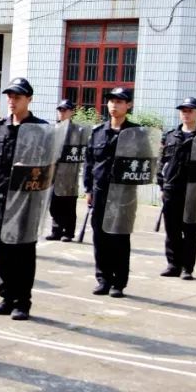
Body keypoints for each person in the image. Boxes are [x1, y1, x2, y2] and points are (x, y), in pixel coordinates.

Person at [0, 77, 50, 320]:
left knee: (23, 251)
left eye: (17, 97)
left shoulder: (40, 129)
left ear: (29, 99)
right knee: (3, 250)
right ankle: (6, 296)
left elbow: (48, 166)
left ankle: (23, 301)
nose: (12, 101)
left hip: (27, 200)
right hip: (2, 197)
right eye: (9, 97)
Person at [85, 88, 139, 297]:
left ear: (128, 105)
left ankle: (119, 282)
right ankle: (103, 279)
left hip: (123, 194)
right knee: (100, 236)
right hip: (100, 192)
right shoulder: (98, 132)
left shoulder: (135, 133)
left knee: (120, 237)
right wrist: (88, 189)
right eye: (111, 101)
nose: (114, 105)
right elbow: (90, 163)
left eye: (119, 101)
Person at [157, 97, 196, 280]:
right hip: (172, 190)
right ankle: (173, 265)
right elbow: (161, 162)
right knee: (172, 231)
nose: (186, 114)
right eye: (183, 111)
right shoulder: (170, 136)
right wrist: (162, 186)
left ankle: (188, 268)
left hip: (194, 193)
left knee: (191, 231)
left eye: (190, 110)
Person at [47, 99, 82, 242]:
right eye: (60, 110)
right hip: (54, 173)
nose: (62, 113)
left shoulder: (78, 131)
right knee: (54, 204)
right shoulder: (53, 129)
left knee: (68, 204)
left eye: (65, 110)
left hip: (70, 174)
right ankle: (56, 230)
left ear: (71, 112)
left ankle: (68, 232)